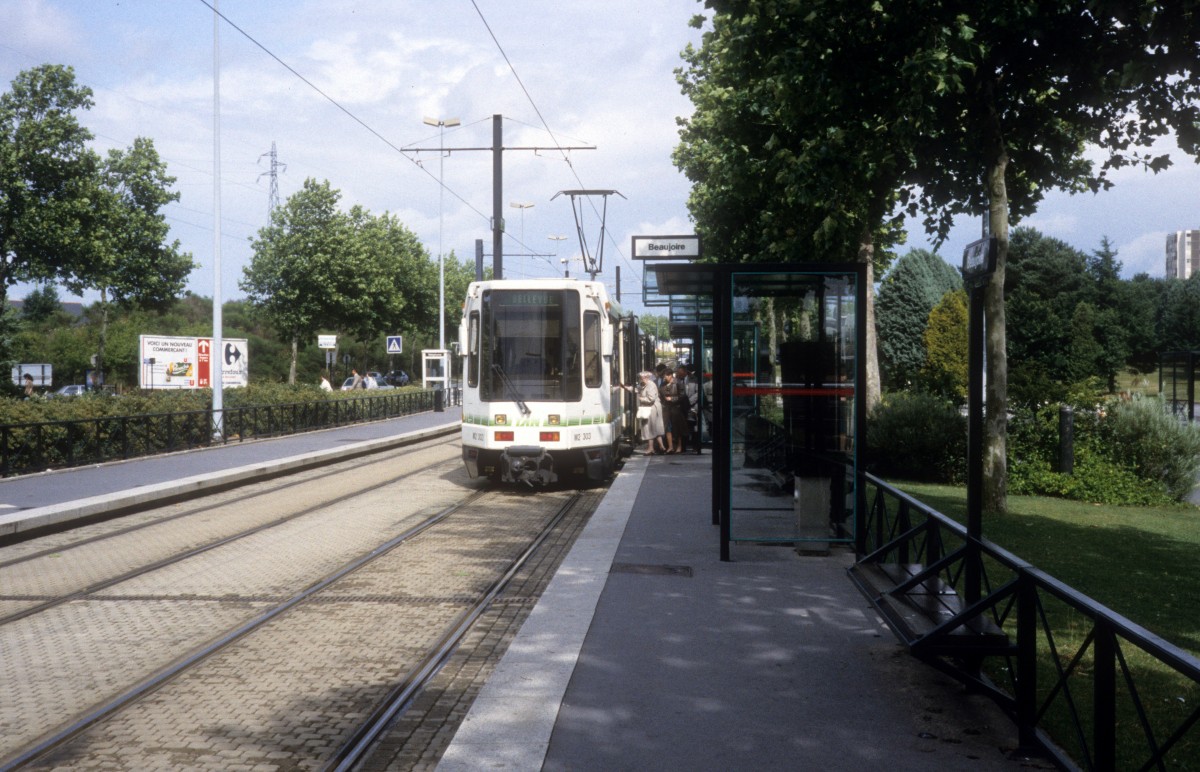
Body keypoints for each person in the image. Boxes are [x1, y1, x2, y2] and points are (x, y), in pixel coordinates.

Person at [625, 370, 666, 454]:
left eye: (642, 378)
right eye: (640, 378)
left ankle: (651, 448)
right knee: (655, 428)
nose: (641, 379)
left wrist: (641, 399)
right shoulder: (643, 384)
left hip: (651, 409)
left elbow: (651, 399)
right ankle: (662, 447)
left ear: (647, 377)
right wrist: (626, 388)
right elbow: (637, 389)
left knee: (649, 428)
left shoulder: (651, 385)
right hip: (649, 408)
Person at [661, 369, 689, 453]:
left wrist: (672, 398)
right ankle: (670, 446)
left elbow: (683, 395)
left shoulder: (678, 383)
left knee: (678, 428)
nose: (664, 378)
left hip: (676, 408)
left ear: (670, 375)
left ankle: (679, 446)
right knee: (668, 428)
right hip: (666, 409)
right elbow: (661, 394)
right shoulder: (663, 384)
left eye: (666, 376)